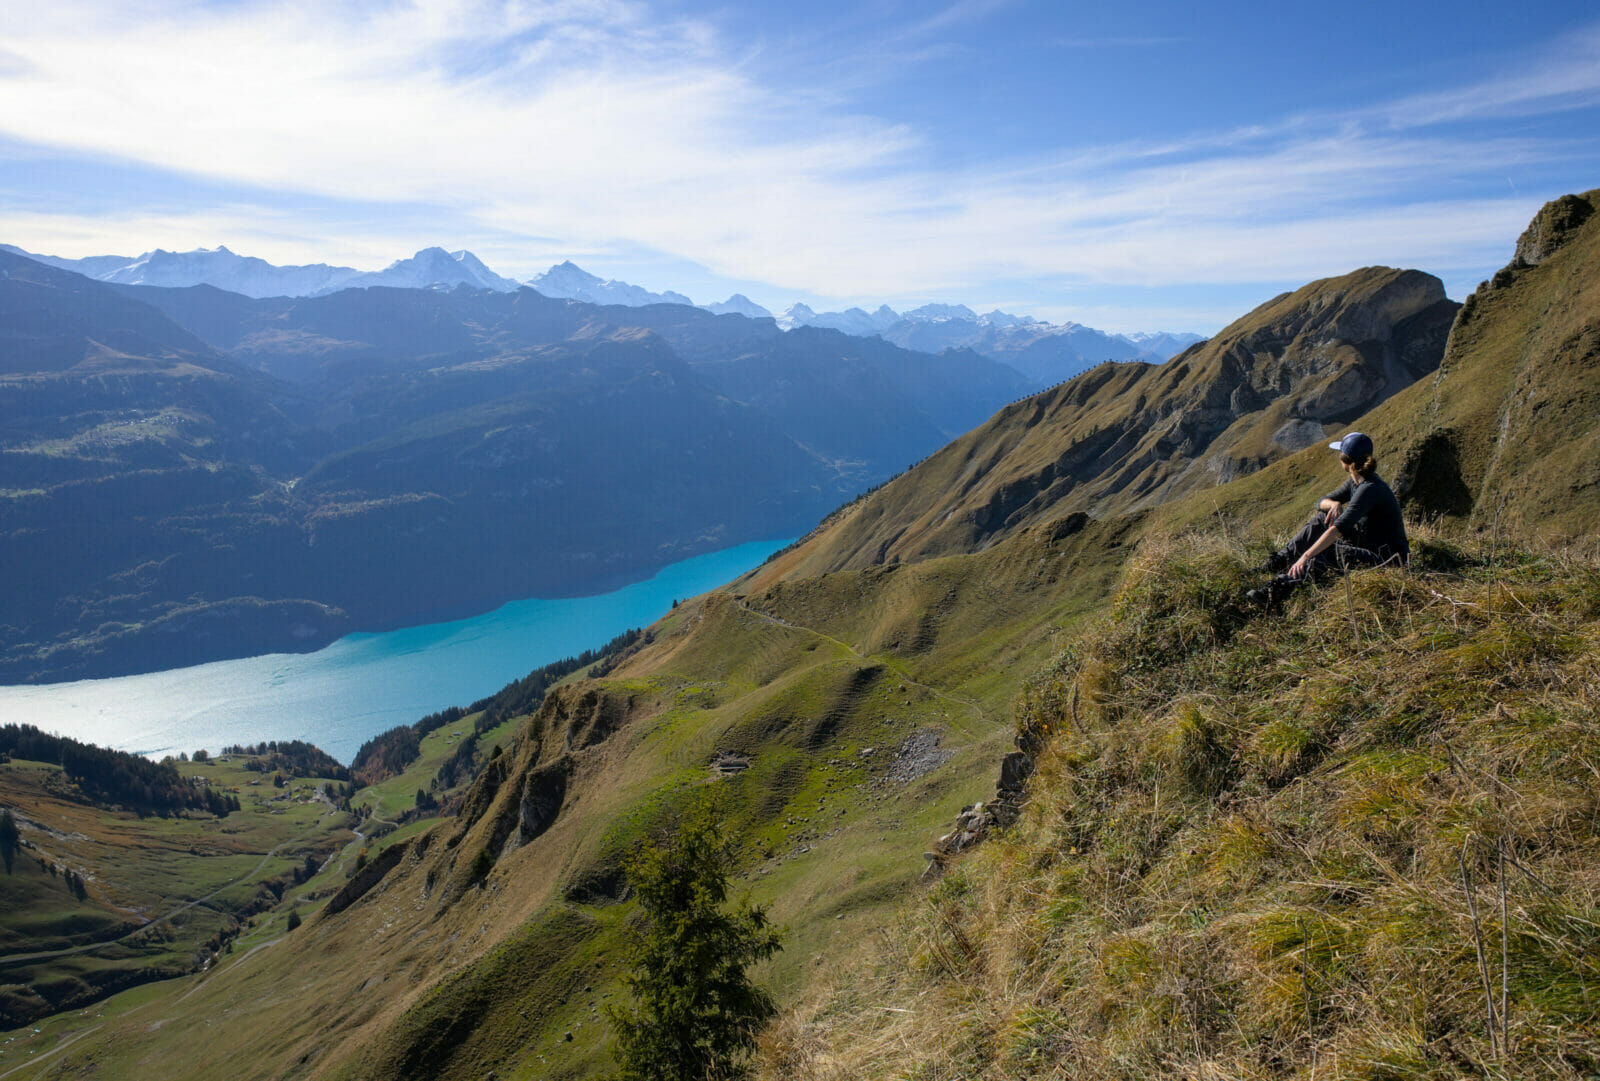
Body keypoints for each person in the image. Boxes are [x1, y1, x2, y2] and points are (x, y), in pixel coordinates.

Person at [1248, 432, 1408, 606]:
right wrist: (1333, 504)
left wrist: (1306, 556)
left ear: (1345, 460)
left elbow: (1337, 529)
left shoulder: (1369, 489)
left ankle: (1279, 589)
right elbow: (1320, 502)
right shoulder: (1357, 481)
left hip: (1388, 560)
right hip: (1367, 544)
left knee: (1332, 551)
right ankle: (1280, 561)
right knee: (1321, 518)